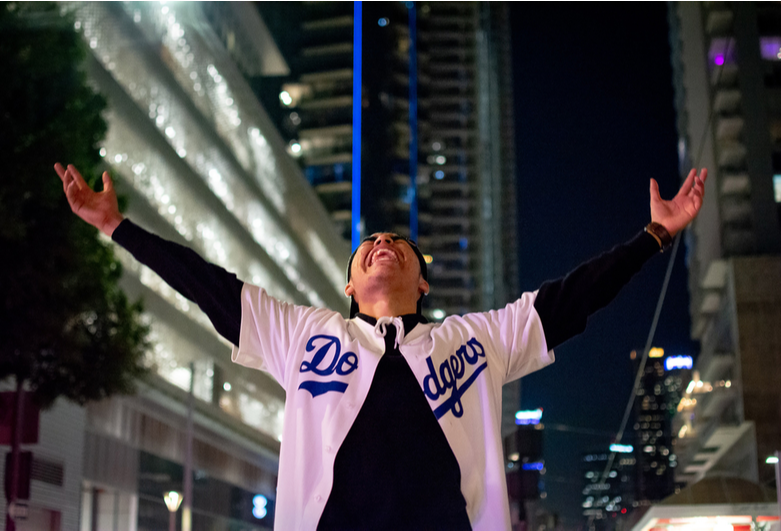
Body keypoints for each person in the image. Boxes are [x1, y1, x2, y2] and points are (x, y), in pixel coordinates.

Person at [54, 163, 706, 530]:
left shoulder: (473, 340)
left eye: (397, 243)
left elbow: (572, 297)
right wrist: (117, 226)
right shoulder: (304, 335)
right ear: (348, 282)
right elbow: (205, 284)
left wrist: (653, 233)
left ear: (421, 280)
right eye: (368, 245)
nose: (381, 244)